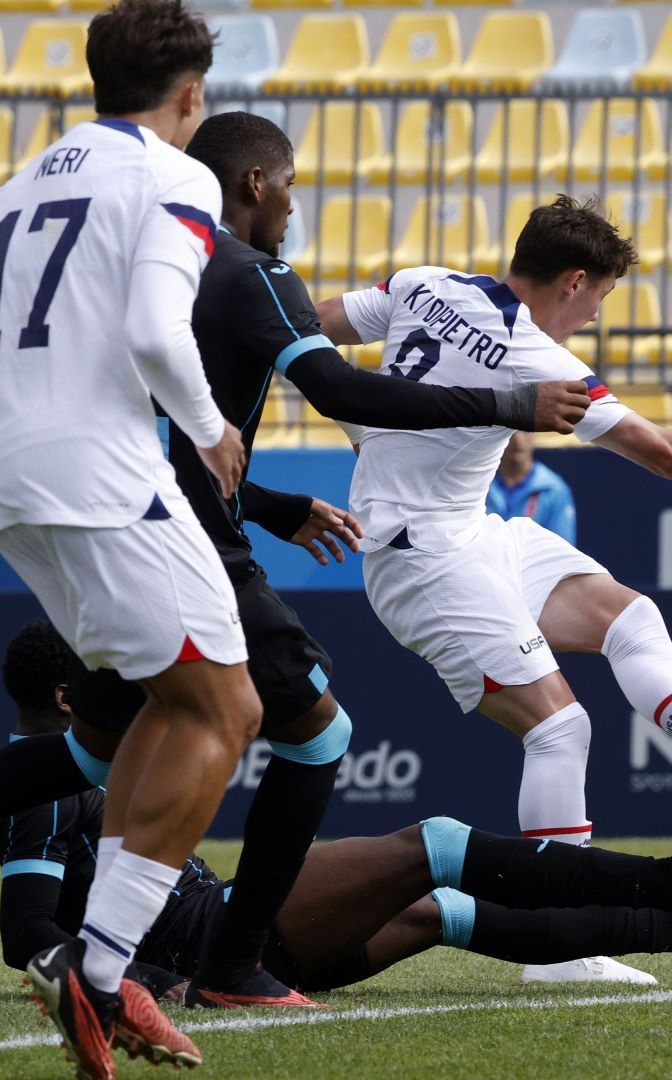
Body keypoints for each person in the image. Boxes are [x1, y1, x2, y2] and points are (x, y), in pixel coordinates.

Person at [0, 109, 590, 1013]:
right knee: (317, 732)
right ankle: (232, 967)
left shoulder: (143, 260)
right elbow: (342, 389)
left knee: (94, 753)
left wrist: (274, 507)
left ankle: (145, 959)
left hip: (105, 508)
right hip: (185, 542)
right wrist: (514, 401)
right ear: (255, 184)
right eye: (289, 186)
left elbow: (169, 431)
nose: (292, 205)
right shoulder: (251, 270)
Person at [316, 195, 672, 984]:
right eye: (601, 297)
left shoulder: (424, 282)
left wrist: (363, 429)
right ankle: (561, 949)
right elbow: (669, 452)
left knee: (628, 616)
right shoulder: (534, 354)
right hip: (424, 559)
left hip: (474, 532)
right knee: (558, 730)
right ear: (575, 280)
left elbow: (309, 325)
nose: (595, 317)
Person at [1, 620, 672, 1038]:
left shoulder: (75, 770)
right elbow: (24, 931)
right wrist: (156, 982)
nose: (137, 687)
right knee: (435, 844)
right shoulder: (45, 793)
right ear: (69, 697)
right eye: (111, 678)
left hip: (224, 928)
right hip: (209, 939)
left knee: (441, 911)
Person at [0, 2, 262, 1074]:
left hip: (15, 476)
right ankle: (102, 971)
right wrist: (210, 427)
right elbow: (157, 328)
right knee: (229, 705)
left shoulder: (20, 183)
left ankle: (102, 969)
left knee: (169, 694)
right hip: (100, 471)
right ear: (191, 94)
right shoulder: (174, 174)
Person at [487, 432, 578, 544]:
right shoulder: (480, 483)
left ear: (535, 434)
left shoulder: (555, 489)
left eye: (525, 430)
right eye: (510, 431)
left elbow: (562, 548)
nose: (518, 439)